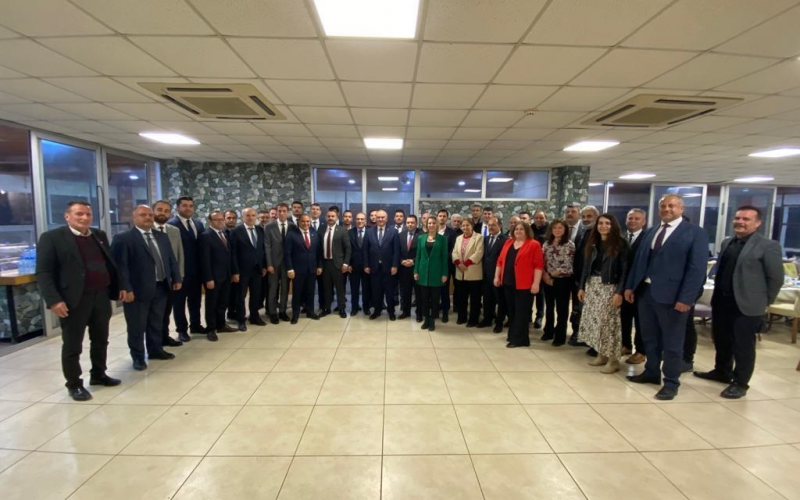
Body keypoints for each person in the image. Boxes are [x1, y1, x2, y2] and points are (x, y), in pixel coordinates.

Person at [37, 201, 123, 401]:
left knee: (101, 339)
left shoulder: (98, 235)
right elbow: (44, 272)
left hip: (101, 296)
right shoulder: (52, 238)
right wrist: (54, 300)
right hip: (74, 299)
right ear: (67, 216)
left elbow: (110, 264)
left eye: (88, 214)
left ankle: (99, 374)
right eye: (79, 214)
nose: (84, 218)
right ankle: (74, 384)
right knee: (73, 344)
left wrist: (120, 286)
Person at [625, 194, 708, 400]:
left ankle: (671, 381)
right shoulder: (652, 231)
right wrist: (630, 287)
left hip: (673, 298)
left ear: (681, 209)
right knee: (649, 337)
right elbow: (640, 262)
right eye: (663, 206)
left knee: (672, 343)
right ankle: (651, 372)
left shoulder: (695, 233)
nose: (667, 209)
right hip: (646, 294)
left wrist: (686, 299)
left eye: (672, 206)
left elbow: (696, 270)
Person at [694, 206, 784, 399]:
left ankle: (741, 383)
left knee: (743, 345)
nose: (740, 222)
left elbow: (776, 278)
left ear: (757, 223)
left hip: (747, 305)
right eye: (737, 218)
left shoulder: (768, 246)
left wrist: (764, 302)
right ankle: (722, 371)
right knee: (722, 339)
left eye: (746, 219)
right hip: (722, 301)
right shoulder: (728, 242)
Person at [112, 205, 182, 371]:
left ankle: (155, 350)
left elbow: (170, 259)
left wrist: (176, 277)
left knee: (156, 322)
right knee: (137, 326)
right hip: (137, 290)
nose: (148, 218)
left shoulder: (161, 236)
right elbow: (120, 267)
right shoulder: (124, 238)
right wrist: (126, 288)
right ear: (134, 217)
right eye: (143, 215)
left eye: (150, 215)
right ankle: (138, 357)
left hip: (161, 286)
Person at [577, 214, 629, 374]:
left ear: (613, 226)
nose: (603, 226)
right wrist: (582, 286)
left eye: (607, 223)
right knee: (596, 323)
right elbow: (586, 267)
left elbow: (625, 270)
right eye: (600, 223)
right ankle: (602, 354)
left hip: (610, 287)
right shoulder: (593, 243)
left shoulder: (620, 243)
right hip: (593, 285)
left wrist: (619, 292)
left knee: (609, 325)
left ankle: (613, 360)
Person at [495, 222, 544, 348]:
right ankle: (513, 335)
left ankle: (521, 339)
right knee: (511, 311)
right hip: (508, 282)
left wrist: (536, 283)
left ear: (527, 231)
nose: (518, 231)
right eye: (516, 229)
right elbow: (500, 261)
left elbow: (538, 266)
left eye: (521, 229)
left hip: (525, 284)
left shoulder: (534, 244)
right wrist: (497, 276)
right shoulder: (508, 242)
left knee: (521, 312)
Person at [167, 196, 205, 342]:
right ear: (178, 207)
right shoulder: (171, 225)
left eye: (190, 205)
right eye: (184, 205)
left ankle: (195, 325)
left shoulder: (198, 224)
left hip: (197, 270)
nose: (188, 208)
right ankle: (182, 330)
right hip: (181, 271)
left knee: (195, 300)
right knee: (179, 302)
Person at [199, 211, 236, 341]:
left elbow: (228, 255)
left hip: (226, 276)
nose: (220, 222)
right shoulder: (205, 236)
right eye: (217, 220)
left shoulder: (224, 234)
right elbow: (204, 259)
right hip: (213, 278)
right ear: (210, 221)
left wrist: (232, 272)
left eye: (221, 219)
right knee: (212, 304)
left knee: (222, 302)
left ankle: (221, 324)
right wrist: (208, 278)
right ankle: (211, 329)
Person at [152, 200, 184, 348]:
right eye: (159, 210)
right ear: (153, 211)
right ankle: (155, 343)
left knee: (166, 311)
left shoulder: (174, 230)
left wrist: (179, 276)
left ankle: (164, 337)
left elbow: (179, 254)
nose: (162, 213)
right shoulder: (147, 230)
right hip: (154, 280)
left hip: (171, 278)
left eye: (166, 211)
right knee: (155, 314)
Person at [230, 207, 267, 331]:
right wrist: (235, 271)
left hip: (257, 269)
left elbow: (263, 249)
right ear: (243, 217)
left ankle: (254, 316)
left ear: (256, 217)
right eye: (248, 215)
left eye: (253, 215)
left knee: (256, 295)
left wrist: (264, 266)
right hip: (242, 270)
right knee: (240, 296)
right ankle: (241, 320)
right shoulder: (236, 231)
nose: (251, 218)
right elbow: (233, 253)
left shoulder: (260, 230)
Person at [541, 219, 575, 346]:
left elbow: (567, 265)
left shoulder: (569, 245)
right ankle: (548, 331)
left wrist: (550, 275)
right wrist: (545, 275)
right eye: (555, 228)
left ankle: (560, 336)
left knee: (561, 309)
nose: (557, 230)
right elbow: (542, 261)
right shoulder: (546, 244)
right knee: (549, 307)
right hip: (546, 279)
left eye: (560, 228)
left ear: (565, 230)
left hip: (563, 280)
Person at [568, 205, 598, 346]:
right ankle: (578, 333)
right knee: (578, 308)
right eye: (584, 216)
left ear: (596, 217)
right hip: (579, 277)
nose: (586, 219)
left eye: (589, 216)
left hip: (592, 279)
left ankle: (589, 338)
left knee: (589, 310)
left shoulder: (598, 234)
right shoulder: (583, 232)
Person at [285, 214, 322, 323]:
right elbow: (287, 253)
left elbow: (319, 252)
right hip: (297, 270)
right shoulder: (292, 234)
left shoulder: (315, 234)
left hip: (312, 269)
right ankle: (295, 314)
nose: (306, 223)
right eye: (303, 221)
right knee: (297, 292)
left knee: (311, 291)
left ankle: (310, 311)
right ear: (298, 222)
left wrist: (320, 266)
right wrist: (290, 269)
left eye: (307, 221)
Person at [364, 209, 400, 320]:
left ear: (386, 218)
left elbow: (396, 250)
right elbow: (365, 250)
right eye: (378, 217)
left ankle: (391, 311)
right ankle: (377, 310)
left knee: (390, 291)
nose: (380, 219)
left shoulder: (393, 231)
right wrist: (366, 265)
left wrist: (395, 265)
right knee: (376, 291)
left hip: (389, 268)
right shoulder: (369, 231)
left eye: (382, 217)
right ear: (375, 218)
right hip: (374, 267)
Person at [414, 217, 449, 331]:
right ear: (426, 224)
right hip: (423, 272)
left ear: (437, 224)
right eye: (429, 223)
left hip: (436, 273)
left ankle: (433, 320)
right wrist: (416, 271)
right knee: (424, 298)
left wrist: (444, 273)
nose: (431, 225)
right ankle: (426, 319)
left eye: (434, 223)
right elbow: (418, 255)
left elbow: (444, 257)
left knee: (435, 298)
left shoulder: (442, 239)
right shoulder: (421, 238)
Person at [622, 208, 647, 364]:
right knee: (624, 317)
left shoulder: (647, 239)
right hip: (622, 285)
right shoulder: (621, 237)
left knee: (640, 320)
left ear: (644, 221)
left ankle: (641, 351)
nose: (633, 221)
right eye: (630, 218)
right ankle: (625, 345)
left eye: (637, 218)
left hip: (640, 286)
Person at [319, 208, 351, 318]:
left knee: (340, 288)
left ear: (337, 218)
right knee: (326, 287)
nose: (330, 218)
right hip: (325, 263)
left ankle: (341, 308)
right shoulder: (321, 229)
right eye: (328, 216)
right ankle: (327, 308)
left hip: (338, 264)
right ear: (325, 217)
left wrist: (345, 264)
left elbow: (348, 248)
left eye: (333, 216)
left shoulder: (342, 230)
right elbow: (318, 248)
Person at [452, 219, 484, 327]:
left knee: (475, 299)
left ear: (472, 226)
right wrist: (458, 263)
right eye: (463, 225)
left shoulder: (478, 237)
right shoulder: (458, 238)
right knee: (461, 298)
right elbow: (454, 252)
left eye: (467, 225)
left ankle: (473, 320)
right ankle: (462, 317)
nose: (465, 227)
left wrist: (466, 264)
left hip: (473, 272)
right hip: (460, 272)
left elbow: (479, 253)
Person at [479, 217, 507, 333]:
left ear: (500, 226)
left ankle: (499, 322)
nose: (491, 227)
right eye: (489, 225)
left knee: (500, 300)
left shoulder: (505, 240)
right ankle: (487, 318)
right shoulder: (485, 239)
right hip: (486, 275)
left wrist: (498, 275)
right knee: (487, 299)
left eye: (493, 225)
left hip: (497, 275)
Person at [265, 203, 292, 324]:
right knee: (273, 289)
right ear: (276, 212)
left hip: (287, 264)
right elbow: (267, 246)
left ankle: (282, 311)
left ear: (288, 212)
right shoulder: (269, 226)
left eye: (284, 211)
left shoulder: (292, 226)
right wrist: (269, 264)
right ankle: (272, 313)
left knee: (285, 289)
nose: (282, 213)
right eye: (279, 211)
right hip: (274, 263)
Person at [398, 214, 422, 321]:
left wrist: (413, 261)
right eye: (408, 222)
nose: (410, 224)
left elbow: (423, 253)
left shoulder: (422, 235)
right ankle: (406, 312)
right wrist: (401, 261)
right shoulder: (400, 235)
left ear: (416, 223)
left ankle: (419, 313)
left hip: (417, 269)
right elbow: (396, 251)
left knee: (418, 293)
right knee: (405, 292)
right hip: (403, 269)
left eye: (412, 222)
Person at [348, 212, 371, 316]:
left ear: (365, 220)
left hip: (367, 266)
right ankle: (354, 307)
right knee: (354, 289)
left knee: (366, 289)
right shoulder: (350, 232)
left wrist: (369, 265)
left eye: (362, 219)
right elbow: (347, 250)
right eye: (358, 219)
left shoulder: (371, 232)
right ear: (355, 220)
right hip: (353, 266)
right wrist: (348, 264)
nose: (360, 221)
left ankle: (366, 307)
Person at [437, 209, 457, 322]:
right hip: (433, 266)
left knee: (444, 289)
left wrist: (442, 259)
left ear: (447, 218)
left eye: (444, 216)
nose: (442, 218)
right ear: (437, 217)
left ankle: (445, 312)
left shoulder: (452, 232)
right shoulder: (433, 230)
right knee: (434, 289)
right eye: (440, 216)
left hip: (445, 265)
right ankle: (435, 310)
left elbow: (452, 249)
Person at [532, 210, 549, 329]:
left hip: (543, 265)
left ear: (545, 218)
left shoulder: (549, 230)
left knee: (540, 293)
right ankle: (528, 315)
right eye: (537, 217)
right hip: (530, 265)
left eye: (541, 217)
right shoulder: (530, 229)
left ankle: (539, 316)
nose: (539, 220)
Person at [224, 209, 239, 321]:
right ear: (224, 219)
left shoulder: (238, 232)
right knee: (224, 295)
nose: (231, 220)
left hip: (237, 268)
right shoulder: (220, 233)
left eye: (233, 218)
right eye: (229, 218)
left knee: (235, 293)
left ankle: (232, 312)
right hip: (224, 269)